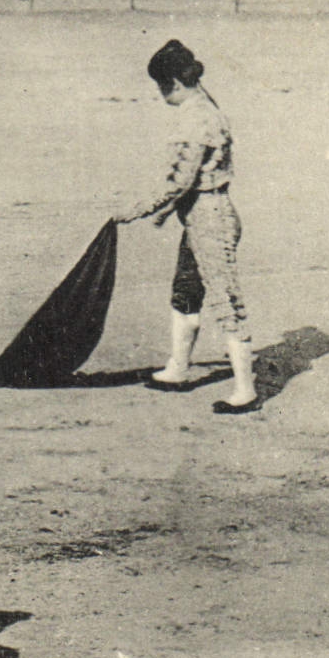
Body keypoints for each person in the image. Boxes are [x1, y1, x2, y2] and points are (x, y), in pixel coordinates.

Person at [116, 40, 259, 414]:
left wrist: (139, 210)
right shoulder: (206, 107)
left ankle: (246, 391)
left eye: (162, 87)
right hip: (202, 214)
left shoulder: (195, 119)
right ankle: (178, 368)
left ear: (173, 85)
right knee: (186, 291)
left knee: (226, 301)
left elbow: (180, 181)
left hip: (210, 219)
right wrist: (167, 213)